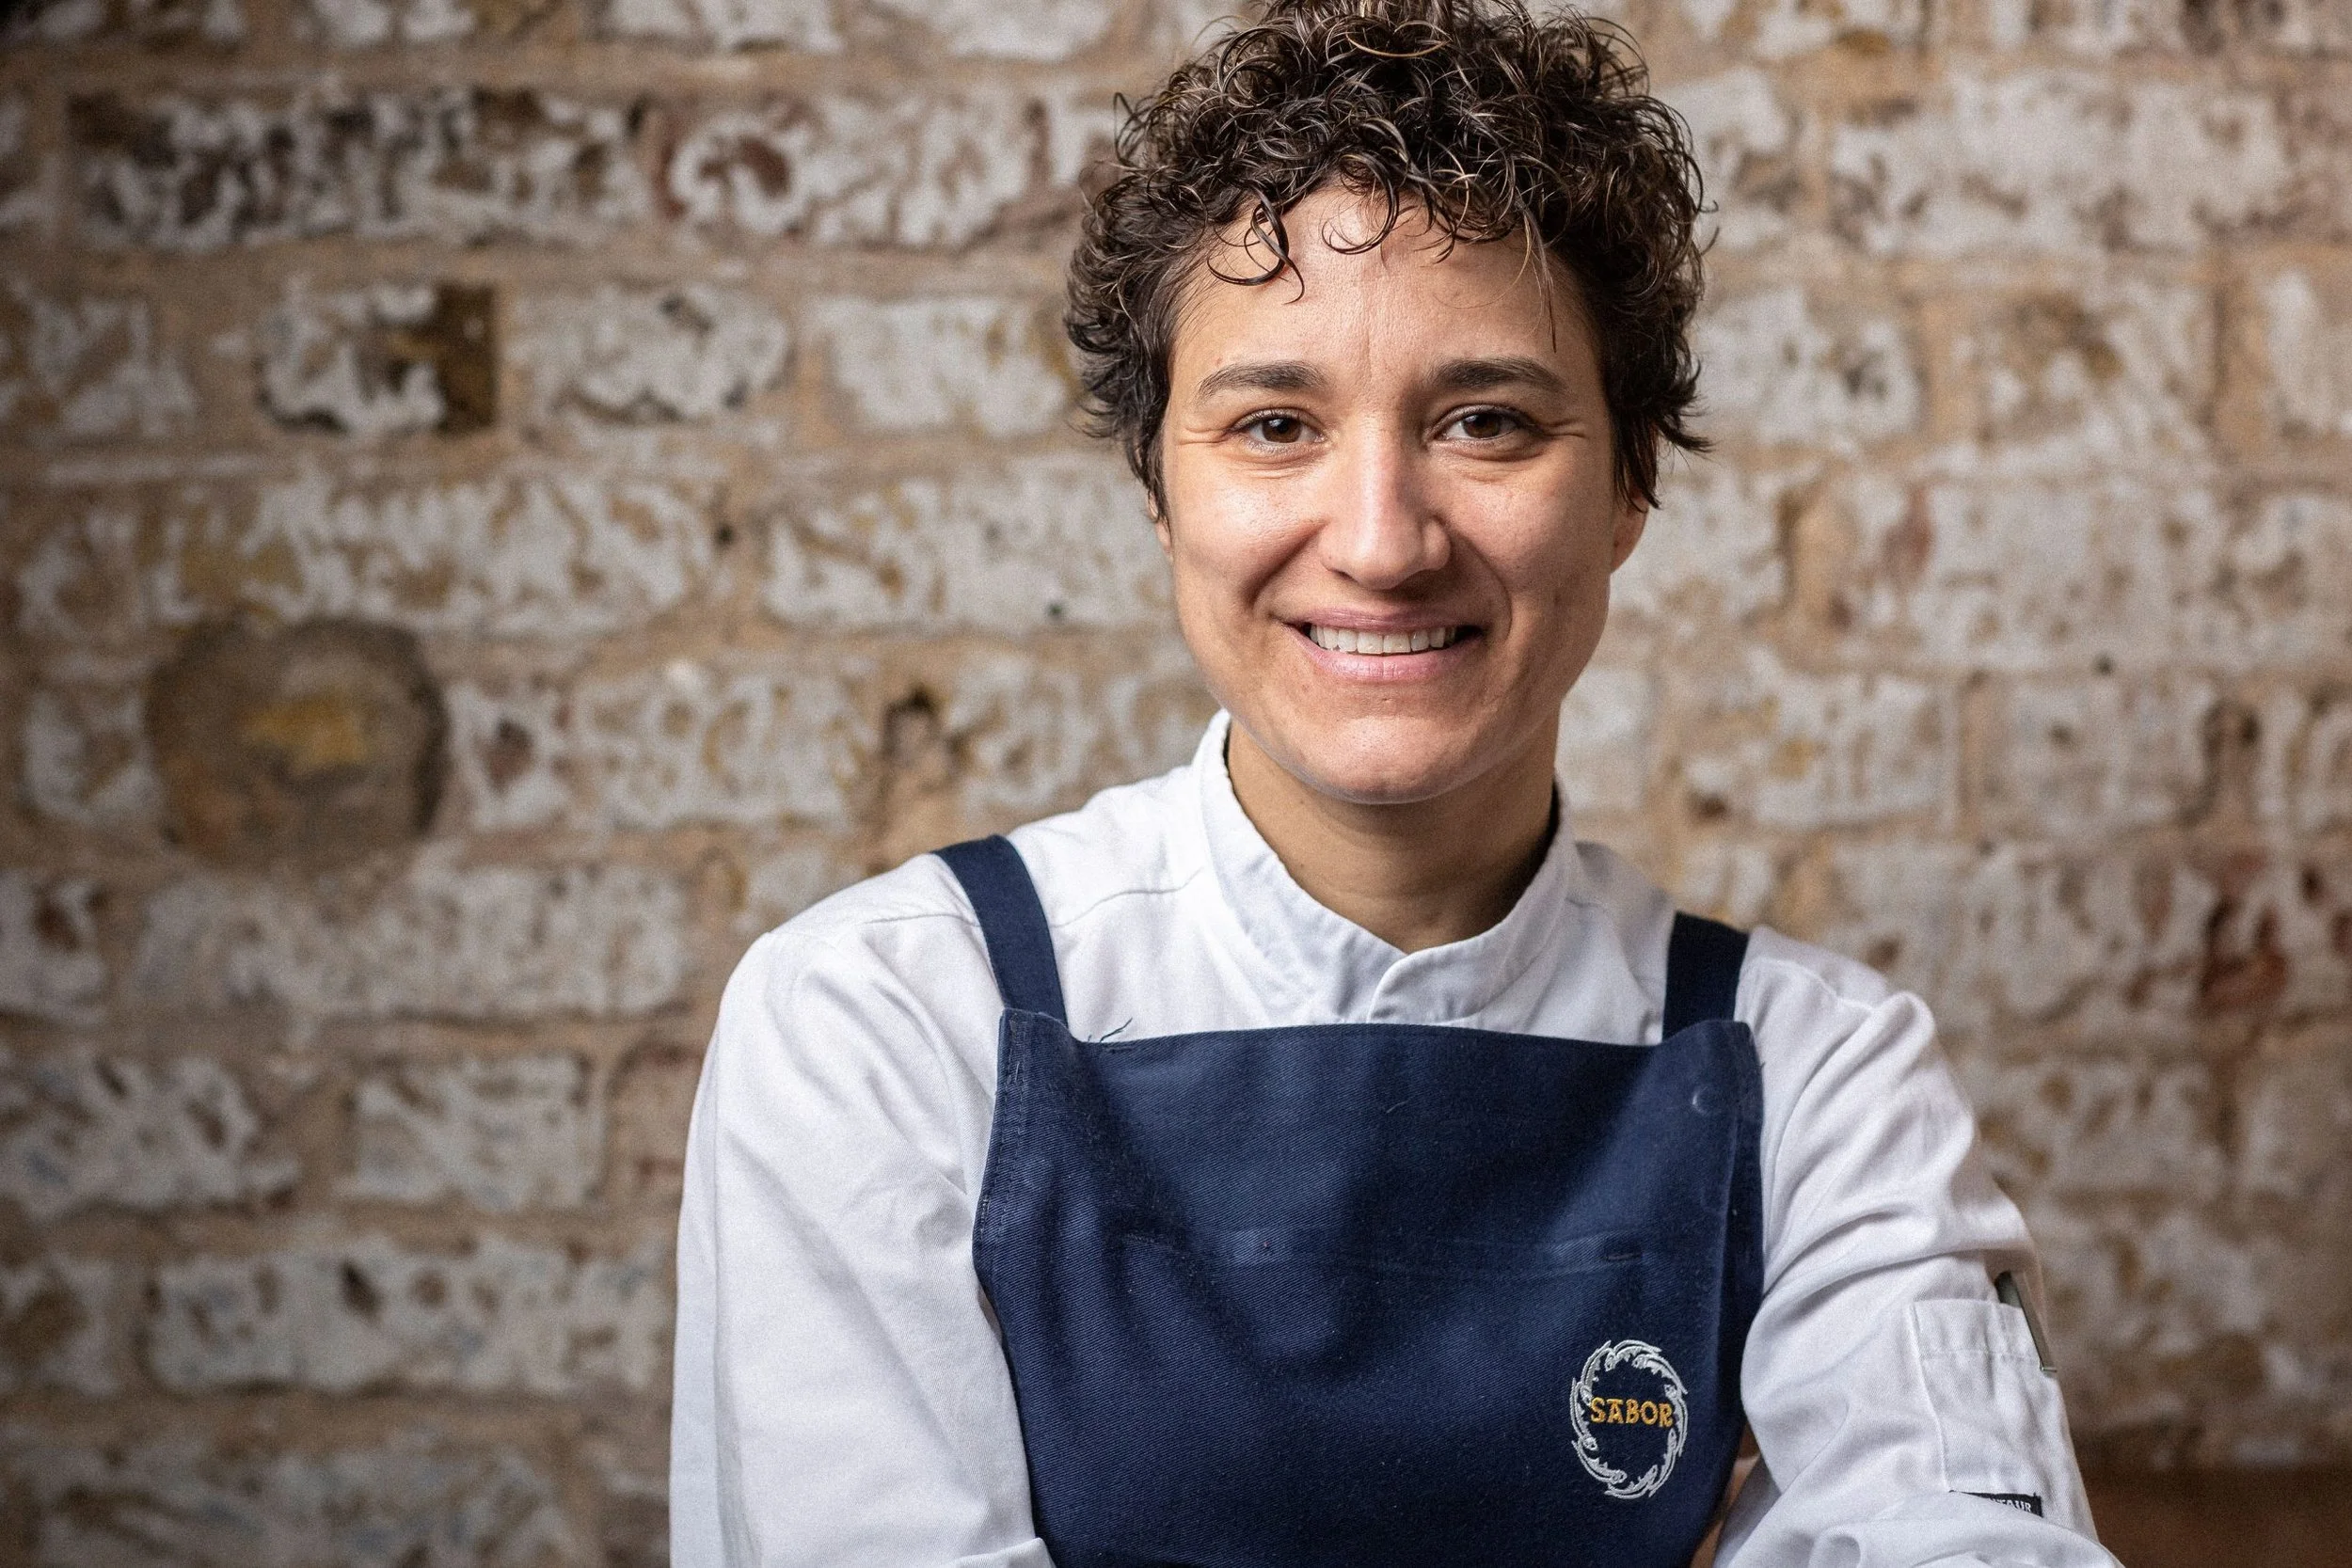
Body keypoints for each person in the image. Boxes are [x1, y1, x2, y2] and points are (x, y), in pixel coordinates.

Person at [670, 3, 2122, 1563]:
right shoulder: (884, 1027)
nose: (1380, 538)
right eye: (1276, 424)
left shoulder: (1822, 1086)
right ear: (1160, 484)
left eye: (1485, 420)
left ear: (1630, 482)